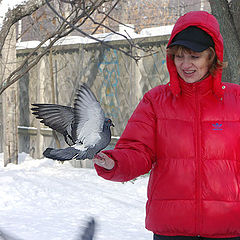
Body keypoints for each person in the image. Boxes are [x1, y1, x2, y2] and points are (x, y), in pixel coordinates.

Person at [93, 11, 240, 240]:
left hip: (228, 229)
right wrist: (116, 162)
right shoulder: (156, 101)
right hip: (171, 230)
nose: (185, 64)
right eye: (179, 56)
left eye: (194, 56)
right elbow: (137, 150)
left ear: (212, 56)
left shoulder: (236, 100)